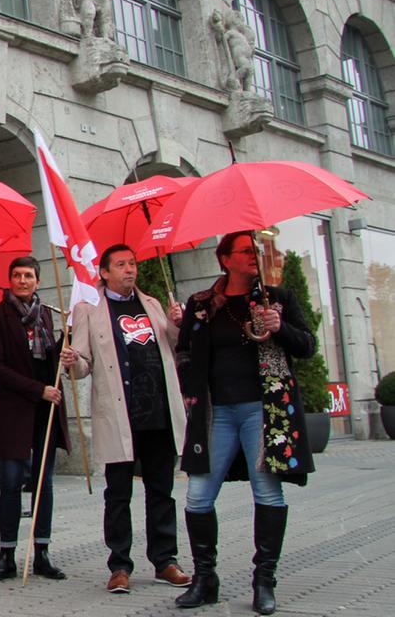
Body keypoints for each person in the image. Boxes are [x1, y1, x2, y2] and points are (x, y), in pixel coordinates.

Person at [174, 232, 316, 615]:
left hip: (263, 410)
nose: (254, 256)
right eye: (245, 251)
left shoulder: (276, 298)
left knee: (267, 493)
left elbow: (307, 346)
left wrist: (279, 327)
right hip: (216, 413)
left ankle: (264, 582)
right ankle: (206, 580)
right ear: (225, 259)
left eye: (256, 251)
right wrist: (191, 390)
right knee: (198, 496)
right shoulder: (202, 305)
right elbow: (184, 350)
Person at [63, 244, 191, 594]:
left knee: (161, 491)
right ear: (104, 272)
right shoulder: (90, 309)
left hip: (158, 414)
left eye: (132, 263)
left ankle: (165, 560)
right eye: (121, 264)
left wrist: (180, 323)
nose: (129, 270)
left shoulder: (151, 304)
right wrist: (74, 362)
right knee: (118, 494)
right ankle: (119, 565)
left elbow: (176, 347)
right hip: (120, 417)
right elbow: (85, 364)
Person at [0, 255, 68, 583]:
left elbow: (49, 362)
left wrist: (64, 345)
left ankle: (42, 551)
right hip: (12, 408)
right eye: (16, 275)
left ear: (38, 280)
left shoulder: (46, 315)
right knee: (12, 482)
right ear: (10, 280)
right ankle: (6, 555)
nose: (22, 281)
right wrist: (38, 389)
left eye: (28, 275)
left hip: (44, 410)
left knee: (44, 483)